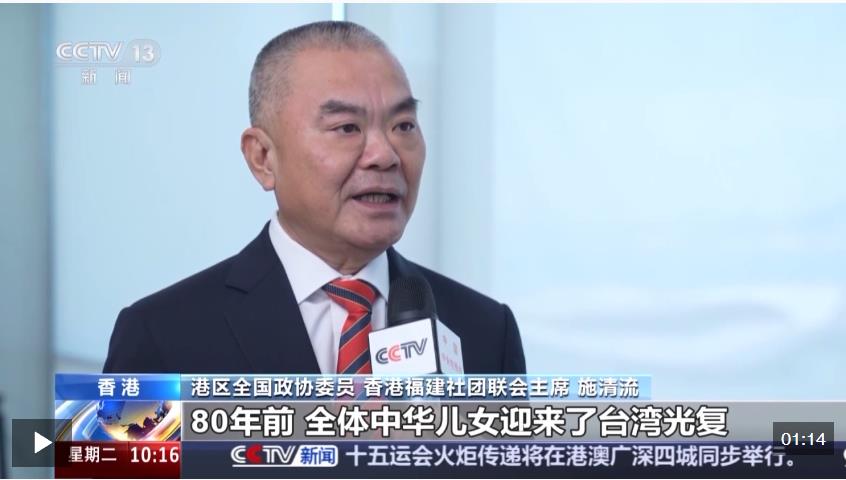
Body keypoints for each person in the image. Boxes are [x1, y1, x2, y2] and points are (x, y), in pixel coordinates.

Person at [103, 21, 525, 375]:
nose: (385, 155)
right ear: (262, 157)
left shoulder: (487, 332)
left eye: (403, 126)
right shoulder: (162, 336)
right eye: (347, 128)